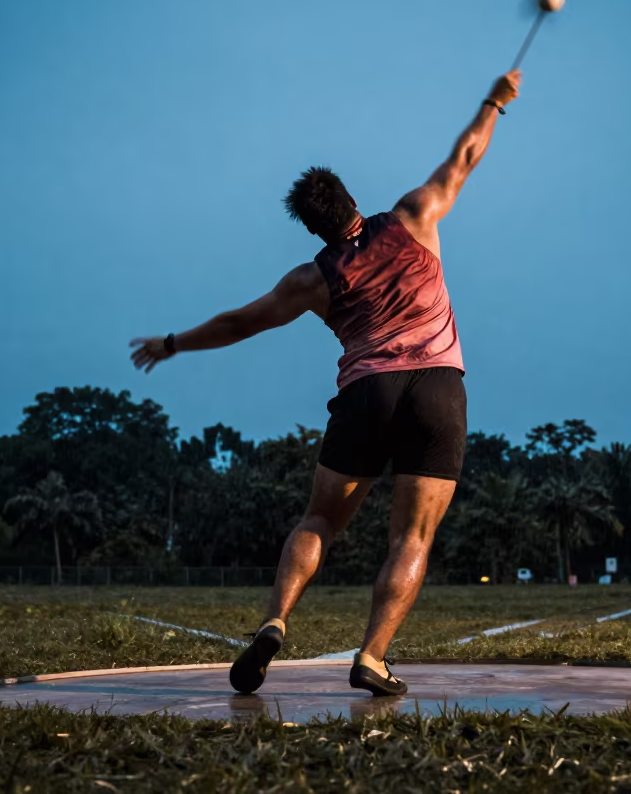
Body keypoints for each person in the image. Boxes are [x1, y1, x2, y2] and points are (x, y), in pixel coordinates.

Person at [131, 69, 521, 696]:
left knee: (319, 519)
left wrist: (173, 343)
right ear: (352, 198)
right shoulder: (415, 216)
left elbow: (239, 323)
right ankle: (372, 657)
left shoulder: (310, 280)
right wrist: (494, 102)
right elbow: (465, 156)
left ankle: (275, 621)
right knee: (411, 536)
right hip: (436, 390)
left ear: (313, 227)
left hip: (367, 394)